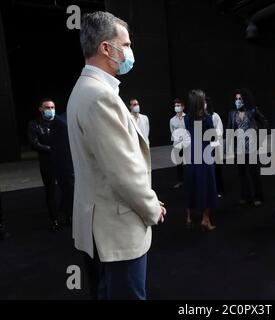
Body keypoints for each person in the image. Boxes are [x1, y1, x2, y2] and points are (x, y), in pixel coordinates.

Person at [67, 11, 166, 300]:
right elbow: (123, 173)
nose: (130, 52)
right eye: (127, 44)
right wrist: (151, 208)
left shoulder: (85, 90)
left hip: (101, 226)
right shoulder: (100, 96)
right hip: (116, 230)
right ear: (106, 48)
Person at [226, 89, 268, 207]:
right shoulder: (232, 113)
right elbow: (229, 129)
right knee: (242, 174)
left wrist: (259, 136)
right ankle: (246, 196)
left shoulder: (252, 111)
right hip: (239, 148)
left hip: (251, 148)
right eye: (236, 99)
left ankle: (258, 196)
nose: (238, 101)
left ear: (245, 100)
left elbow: (264, 121)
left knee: (254, 173)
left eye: (240, 99)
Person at [184, 90, 217, 231]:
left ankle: (189, 217)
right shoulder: (207, 118)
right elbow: (212, 136)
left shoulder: (187, 119)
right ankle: (205, 219)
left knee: (192, 183)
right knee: (207, 185)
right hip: (204, 153)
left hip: (191, 153)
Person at [28, 98, 59, 232]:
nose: (50, 110)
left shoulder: (60, 122)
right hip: (47, 162)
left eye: (52, 107)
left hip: (63, 161)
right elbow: (34, 144)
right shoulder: (34, 124)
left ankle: (70, 215)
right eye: (47, 108)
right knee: (50, 191)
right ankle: (54, 219)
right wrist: (52, 149)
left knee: (69, 188)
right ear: (40, 109)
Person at [49, 112, 74, 226]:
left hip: (71, 163)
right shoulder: (61, 122)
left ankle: (70, 213)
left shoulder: (63, 121)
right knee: (70, 189)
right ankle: (69, 214)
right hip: (65, 164)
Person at [205, 96, 225, 198]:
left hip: (215, 146)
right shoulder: (200, 117)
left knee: (217, 170)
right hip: (205, 148)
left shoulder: (215, 116)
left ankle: (219, 189)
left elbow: (219, 131)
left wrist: (211, 138)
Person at [170, 99, 188, 189]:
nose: (176, 107)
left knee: (189, 163)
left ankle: (190, 180)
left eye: (178, 105)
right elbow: (172, 133)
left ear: (183, 107)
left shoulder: (187, 118)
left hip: (187, 144)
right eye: (175, 106)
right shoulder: (172, 120)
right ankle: (180, 181)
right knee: (179, 164)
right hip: (177, 145)